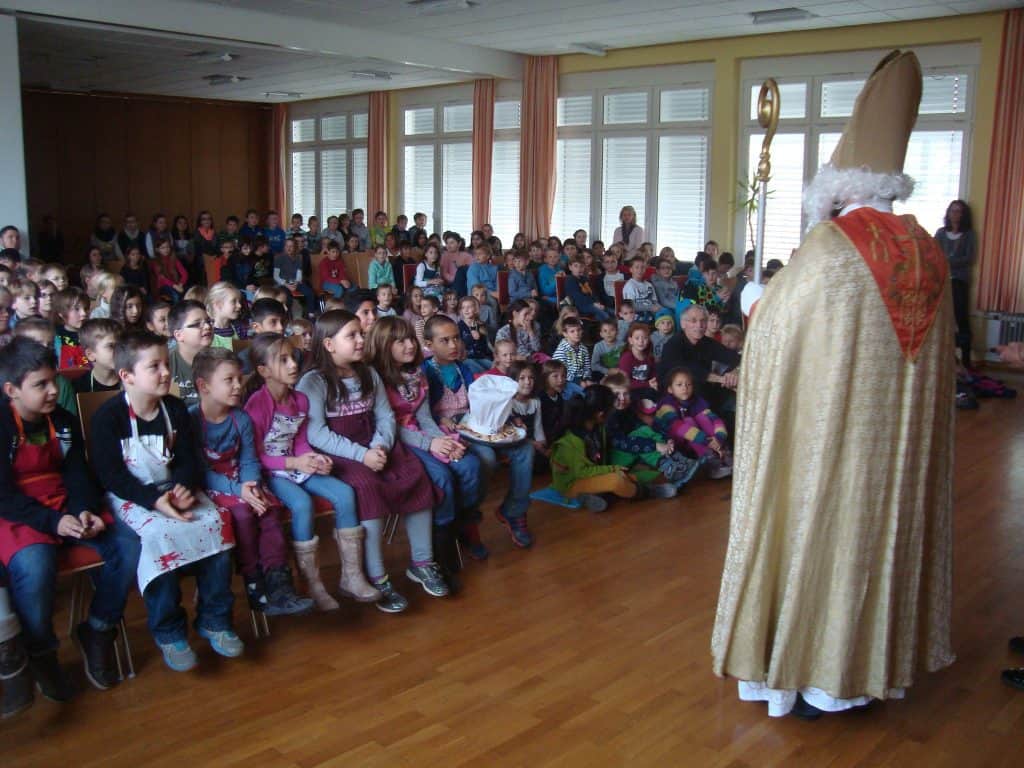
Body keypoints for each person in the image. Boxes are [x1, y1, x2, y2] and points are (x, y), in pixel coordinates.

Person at [711, 51, 956, 719]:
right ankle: (872, 668)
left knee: (820, 539)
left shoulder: (830, 251)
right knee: (876, 539)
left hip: (831, 447)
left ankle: (812, 677)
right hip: (894, 452)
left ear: (838, 188)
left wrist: (756, 300)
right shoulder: (929, 251)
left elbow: (775, 337)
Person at [90, 331, 241, 672]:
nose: (164, 373)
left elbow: (188, 458)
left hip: (172, 488)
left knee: (217, 521)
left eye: (165, 364)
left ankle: (215, 618)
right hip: (132, 495)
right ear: (127, 376)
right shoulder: (108, 418)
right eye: (153, 366)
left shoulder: (174, 409)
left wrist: (184, 487)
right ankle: (169, 629)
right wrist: (155, 501)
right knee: (158, 538)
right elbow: (111, 475)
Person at [0, 339, 139, 708]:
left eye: (53, 381)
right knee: (34, 565)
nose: (52, 391)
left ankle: (97, 630)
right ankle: (41, 653)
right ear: (11, 390)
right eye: (40, 385)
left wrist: (83, 510)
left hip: (63, 503)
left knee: (126, 545)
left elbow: (78, 472)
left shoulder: (61, 420)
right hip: (17, 512)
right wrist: (53, 522)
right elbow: (4, 495)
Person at [297, 311, 447, 613]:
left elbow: (385, 416)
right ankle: (377, 576)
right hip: (342, 452)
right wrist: (361, 455)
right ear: (328, 344)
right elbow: (317, 434)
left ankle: (422, 562)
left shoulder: (368, 373)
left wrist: (379, 445)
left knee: (414, 473)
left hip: (375, 443)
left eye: (360, 334)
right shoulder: (313, 382)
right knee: (367, 487)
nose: (360, 340)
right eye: (351, 335)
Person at [243, 333, 374, 611]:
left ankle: (352, 576)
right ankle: (312, 584)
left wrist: (314, 458)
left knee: (344, 493)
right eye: (283, 360)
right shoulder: (257, 404)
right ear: (263, 371)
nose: (293, 365)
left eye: (294, 358)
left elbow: (300, 440)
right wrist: (294, 463)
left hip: (295, 465)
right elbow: (254, 456)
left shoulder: (300, 399)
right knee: (301, 504)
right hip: (270, 472)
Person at [191, 347, 313, 617]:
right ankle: (254, 584)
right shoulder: (192, 421)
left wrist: (251, 484)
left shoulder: (240, 418)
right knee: (244, 514)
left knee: (268, 510)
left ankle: (280, 584)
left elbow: (248, 459)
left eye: (239, 378)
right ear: (204, 386)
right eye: (229, 380)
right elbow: (200, 471)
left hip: (241, 480)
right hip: (212, 486)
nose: (238, 386)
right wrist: (240, 491)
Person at [366, 316, 483, 575]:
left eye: (410, 338)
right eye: (400, 341)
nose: (409, 345)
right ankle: (441, 545)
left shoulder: (417, 372)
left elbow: (423, 415)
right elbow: (391, 425)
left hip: (422, 434)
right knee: (441, 478)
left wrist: (440, 441)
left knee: (470, 465)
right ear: (384, 345)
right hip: (396, 441)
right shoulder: (376, 378)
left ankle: (460, 526)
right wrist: (430, 444)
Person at [422, 315, 535, 549]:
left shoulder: (464, 368)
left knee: (525, 449)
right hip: (448, 431)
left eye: (456, 338)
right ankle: (468, 520)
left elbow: (483, 400)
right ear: (429, 344)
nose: (454, 345)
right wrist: (440, 418)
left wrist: (510, 417)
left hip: (475, 424)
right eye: (445, 341)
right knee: (486, 458)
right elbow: (418, 413)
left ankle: (514, 510)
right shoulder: (425, 372)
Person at [549, 386, 640, 513]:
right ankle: (645, 492)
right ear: (600, 414)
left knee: (627, 476)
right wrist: (611, 469)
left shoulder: (598, 428)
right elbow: (581, 473)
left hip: (590, 474)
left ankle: (596, 496)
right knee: (616, 481)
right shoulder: (571, 441)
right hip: (572, 484)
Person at [657, 303, 740, 422]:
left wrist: (735, 372)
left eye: (703, 321)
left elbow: (735, 358)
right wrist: (722, 379)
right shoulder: (673, 345)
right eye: (693, 321)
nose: (699, 325)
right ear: (683, 324)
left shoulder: (707, 342)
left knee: (736, 405)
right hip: (677, 398)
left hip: (703, 394)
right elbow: (690, 371)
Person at [654, 367, 731, 479]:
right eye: (679, 385)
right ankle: (710, 461)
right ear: (670, 389)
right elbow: (677, 427)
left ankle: (724, 453)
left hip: (698, 440)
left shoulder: (696, 400)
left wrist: (718, 437)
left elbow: (715, 420)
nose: (685, 388)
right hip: (671, 443)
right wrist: (706, 440)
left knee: (703, 417)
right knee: (688, 421)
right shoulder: (666, 405)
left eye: (688, 384)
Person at [934, 200, 976, 368]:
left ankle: (966, 359)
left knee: (961, 317)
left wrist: (947, 261)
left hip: (959, 281)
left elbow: (969, 258)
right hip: (941, 280)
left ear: (964, 214)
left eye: (959, 211)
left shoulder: (969, 234)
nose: (955, 214)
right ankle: (944, 357)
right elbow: (933, 253)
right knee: (941, 318)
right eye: (952, 211)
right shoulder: (941, 233)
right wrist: (943, 262)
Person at [73, 319, 123, 395]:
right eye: (111, 346)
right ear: (90, 355)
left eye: (121, 345)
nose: (119, 350)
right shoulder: (79, 387)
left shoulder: (132, 381)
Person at [551, 317, 591, 397]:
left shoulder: (583, 349)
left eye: (579, 330)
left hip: (581, 379)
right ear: (565, 334)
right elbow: (560, 372)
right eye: (572, 331)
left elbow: (587, 367)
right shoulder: (562, 349)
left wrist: (586, 379)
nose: (576, 333)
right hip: (565, 381)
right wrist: (578, 381)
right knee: (583, 394)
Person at [53, 287, 91, 370]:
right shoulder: (55, 336)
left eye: (86, 308)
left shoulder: (93, 331)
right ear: (61, 314)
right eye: (77, 309)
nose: (84, 313)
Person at [617, 322, 658, 393]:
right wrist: (647, 384)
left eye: (645, 338)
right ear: (630, 341)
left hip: (646, 388)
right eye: (637, 338)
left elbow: (653, 375)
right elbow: (625, 382)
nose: (641, 341)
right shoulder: (626, 358)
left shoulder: (649, 356)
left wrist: (654, 383)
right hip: (630, 391)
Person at [206, 282, 246, 350]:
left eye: (239, 301)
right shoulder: (207, 331)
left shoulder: (238, 328)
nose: (240, 305)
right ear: (218, 304)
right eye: (234, 301)